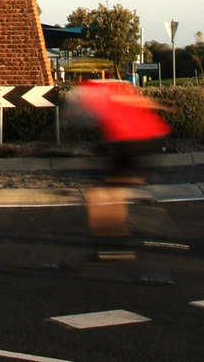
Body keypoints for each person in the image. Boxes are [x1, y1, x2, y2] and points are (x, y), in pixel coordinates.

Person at [73, 79, 171, 259]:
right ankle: (140, 193)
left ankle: (114, 243)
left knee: (100, 195)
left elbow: (83, 120)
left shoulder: (88, 92)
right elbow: (138, 101)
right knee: (115, 187)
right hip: (152, 137)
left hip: (128, 140)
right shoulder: (115, 87)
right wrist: (163, 106)